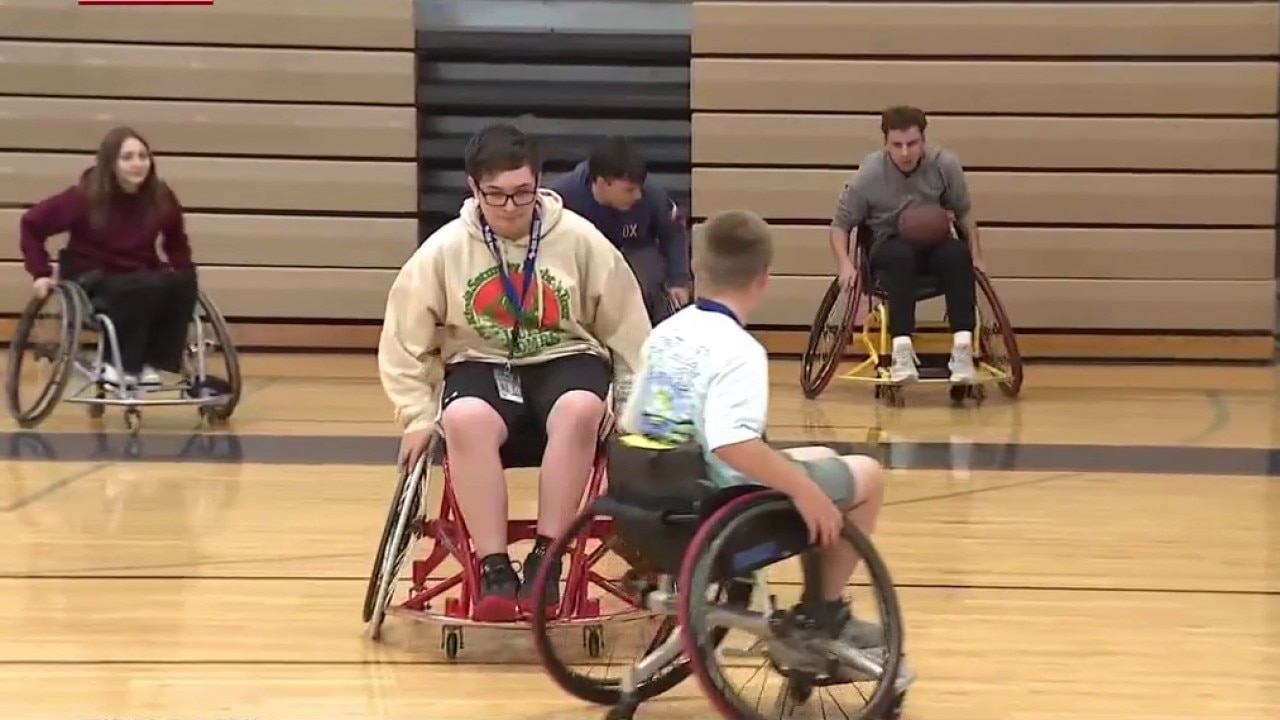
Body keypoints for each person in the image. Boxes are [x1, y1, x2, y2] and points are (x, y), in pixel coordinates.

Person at [619, 209, 913, 680]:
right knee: (867, 477)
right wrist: (804, 492)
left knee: (821, 459)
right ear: (763, 280)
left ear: (698, 268)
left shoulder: (666, 333)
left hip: (659, 503)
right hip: (721, 509)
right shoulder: (738, 350)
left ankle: (820, 598)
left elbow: (633, 420)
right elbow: (731, 443)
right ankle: (824, 612)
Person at [378, 123, 651, 622]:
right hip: (481, 363)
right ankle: (496, 569)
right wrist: (417, 416)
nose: (509, 206)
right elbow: (403, 341)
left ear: (539, 183)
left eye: (522, 193)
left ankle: (547, 560)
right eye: (496, 195)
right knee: (462, 420)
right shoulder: (443, 251)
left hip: (565, 358)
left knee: (581, 409)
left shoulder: (579, 240)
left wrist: (631, 411)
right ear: (473, 188)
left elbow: (631, 333)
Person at [19, 126, 198, 388]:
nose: (137, 164)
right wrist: (41, 272)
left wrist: (183, 276)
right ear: (110, 163)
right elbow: (32, 224)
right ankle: (118, 363)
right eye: (127, 158)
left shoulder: (160, 196)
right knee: (142, 287)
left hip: (139, 274)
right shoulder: (83, 197)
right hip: (92, 276)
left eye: (142, 156)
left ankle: (153, 361)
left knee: (181, 282)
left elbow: (176, 242)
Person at [829, 105, 980, 384]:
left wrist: (977, 256)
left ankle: (962, 348)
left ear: (924, 139)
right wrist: (845, 265)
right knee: (901, 256)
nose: (905, 152)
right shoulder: (870, 174)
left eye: (912, 144)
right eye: (897, 145)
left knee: (958, 254)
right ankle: (901, 349)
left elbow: (964, 215)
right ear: (886, 143)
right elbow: (840, 225)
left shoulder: (944, 165)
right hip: (889, 245)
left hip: (935, 244)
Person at [547, 136, 691, 324]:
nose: (638, 195)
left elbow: (672, 233)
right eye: (629, 190)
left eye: (639, 188)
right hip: (581, 261)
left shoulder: (652, 194)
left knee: (649, 271)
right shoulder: (562, 197)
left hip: (634, 256)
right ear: (603, 183)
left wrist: (678, 281)